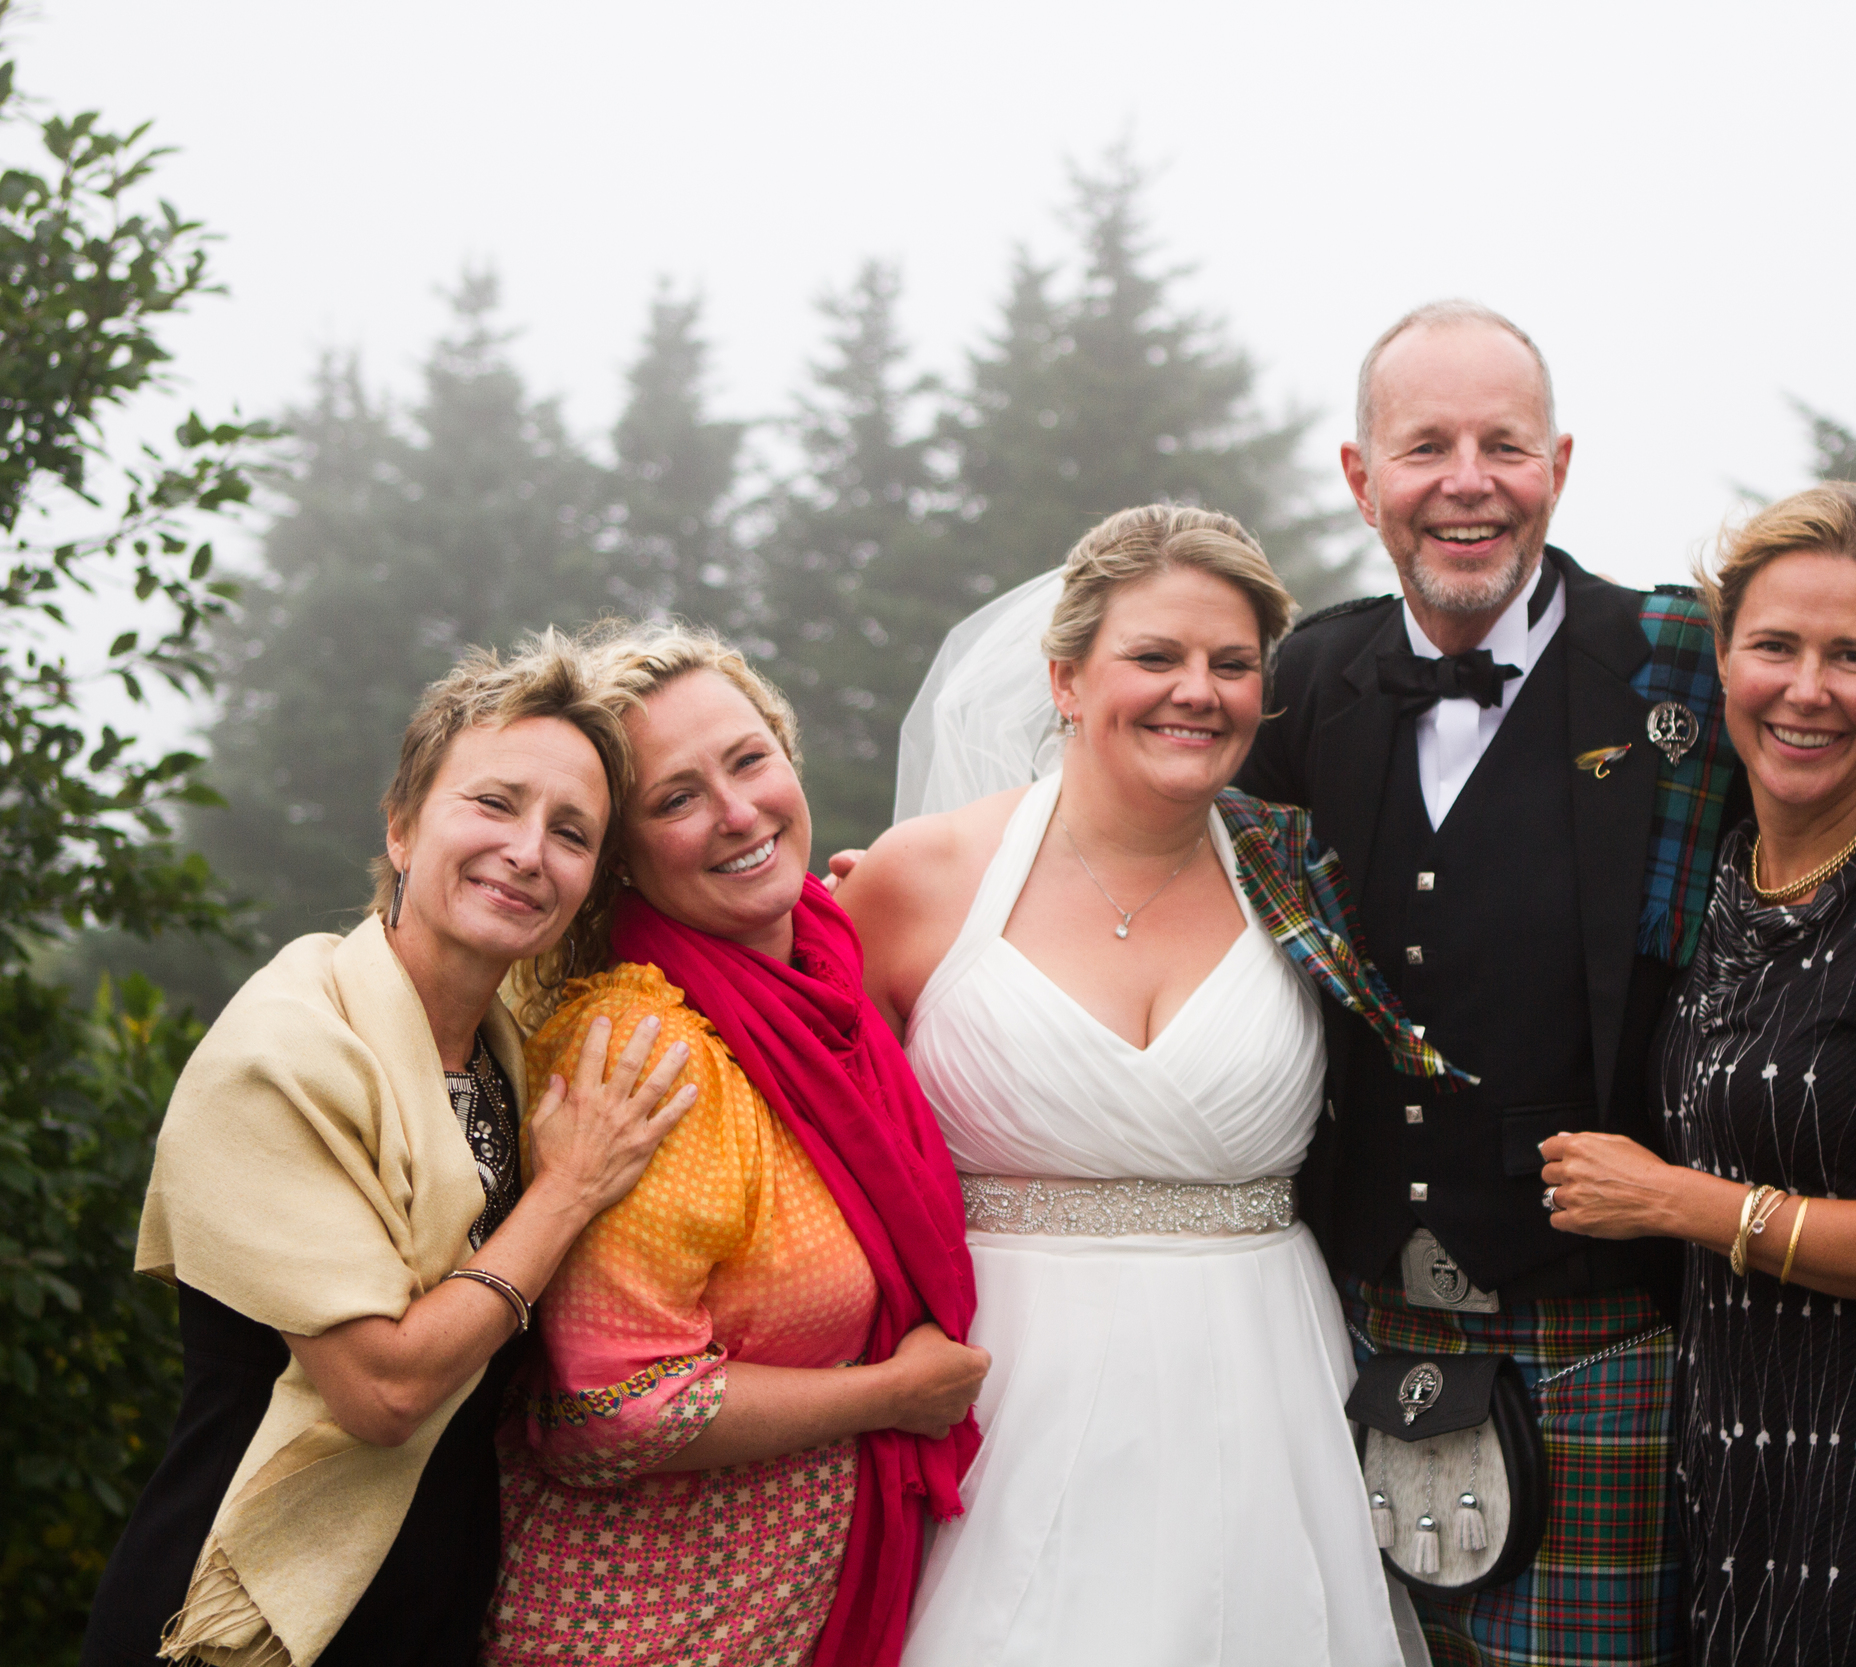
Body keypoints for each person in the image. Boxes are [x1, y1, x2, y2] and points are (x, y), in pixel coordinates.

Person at [845, 504, 1445, 1666]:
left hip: (1260, 1381)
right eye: (1155, 656)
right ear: (1065, 677)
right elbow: (820, 1120)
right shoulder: (921, 877)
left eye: (1232, 664)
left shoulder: (1301, 874)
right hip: (999, 1384)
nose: (1197, 690)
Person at [1235, 300, 1724, 1666]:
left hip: (1607, 1323)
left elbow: (1853, 776)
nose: (1467, 480)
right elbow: (1138, 829)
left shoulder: (1681, 665)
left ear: (1558, 465)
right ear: (1361, 475)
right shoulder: (1300, 681)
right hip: (1346, 1321)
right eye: (1426, 445)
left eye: (1502, 444)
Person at [82, 634, 696, 1667]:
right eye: (494, 802)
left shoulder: (512, 1034)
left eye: (571, 831)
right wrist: (568, 1188)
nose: (527, 849)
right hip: (252, 1610)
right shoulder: (286, 1047)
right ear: (403, 826)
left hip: (431, 1603)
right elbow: (384, 1392)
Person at [1537, 483, 1856, 1665]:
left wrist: (1678, 1201)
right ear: (1722, 657)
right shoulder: (1720, 877)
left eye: (1851, 655)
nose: (1807, 688)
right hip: (1744, 1488)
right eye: (1774, 645)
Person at [482, 625, 987, 1667]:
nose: (738, 812)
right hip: (641, 1628)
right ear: (618, 853)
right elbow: (607, 1408)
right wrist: (894, 1392)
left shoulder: (826, 969)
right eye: (675, 798)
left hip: (785, 1612)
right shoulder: (647, 1048)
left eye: (749, 759)